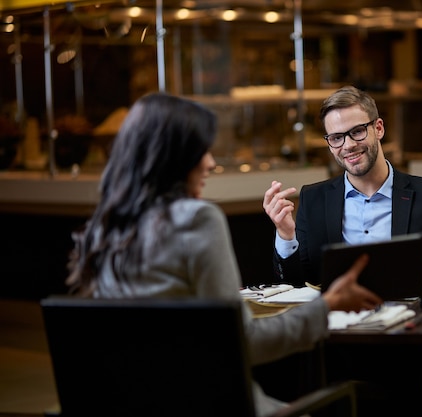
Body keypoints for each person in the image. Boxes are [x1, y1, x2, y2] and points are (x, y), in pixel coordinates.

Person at [65, 92, 383, 417]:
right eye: (202, 150)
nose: (211, 162)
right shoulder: (196, 219)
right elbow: (244, 342)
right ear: (172, 155)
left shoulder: (104, 229)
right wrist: (328, 305)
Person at [262, 85, 422, 415]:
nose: (347, 145)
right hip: (339, 348)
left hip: (410, 345)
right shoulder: (315, 199)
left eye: (356, 131)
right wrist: (286, 235)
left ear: (378, 128)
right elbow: (297, 284)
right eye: (336, 137)